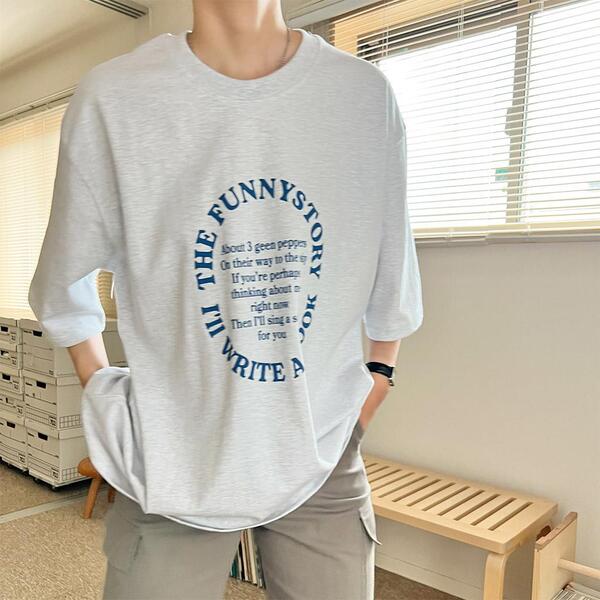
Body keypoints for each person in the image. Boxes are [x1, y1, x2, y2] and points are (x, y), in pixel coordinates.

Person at [28, 0, 424, 598]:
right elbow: (61, 279)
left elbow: (392, 267)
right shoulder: (116, 98)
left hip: (323, 446)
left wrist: (379, 378)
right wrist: (103, 388)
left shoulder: (363, 95)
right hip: (171, 455)